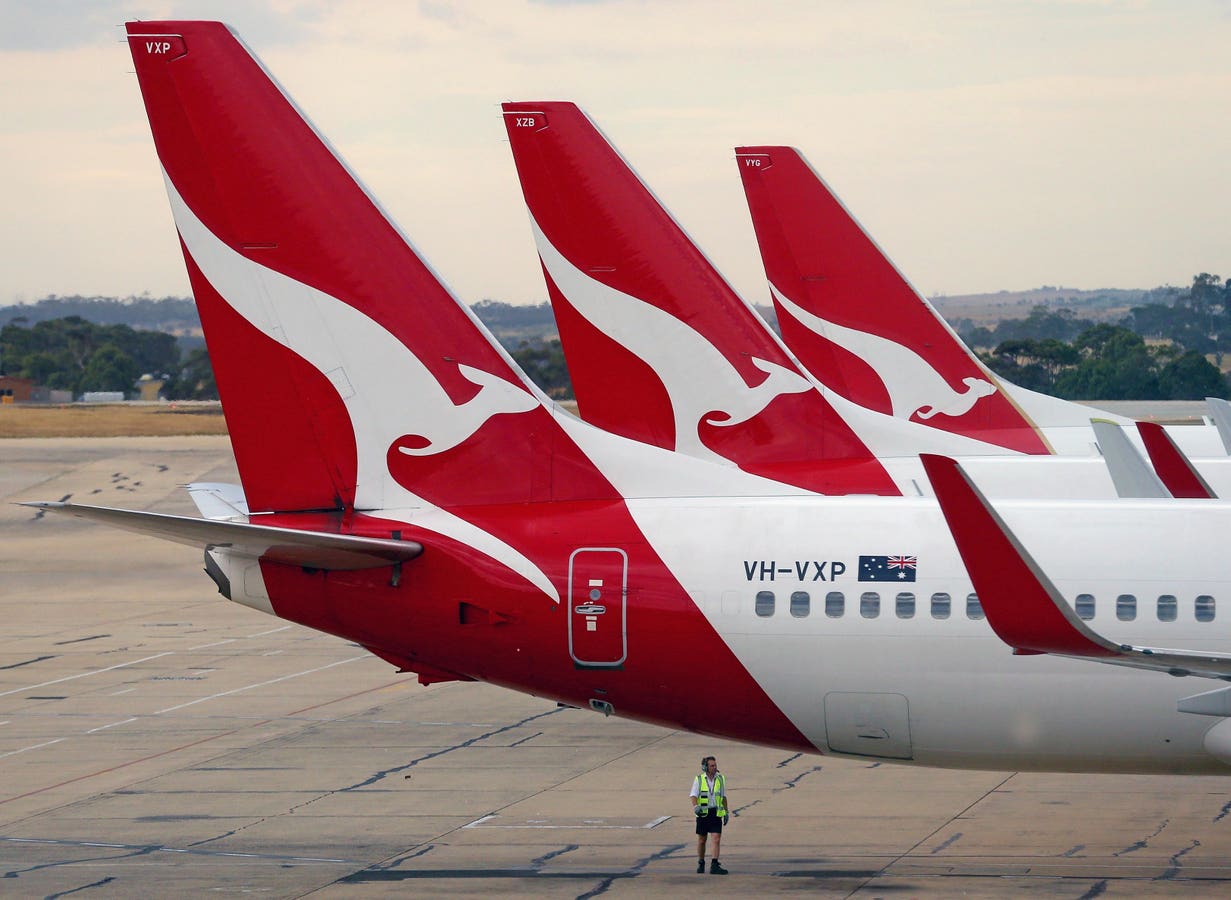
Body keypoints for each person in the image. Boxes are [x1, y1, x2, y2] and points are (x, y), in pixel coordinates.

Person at [689, 755, 729, 874]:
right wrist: (696, 807)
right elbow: (693, 795)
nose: (714, 767)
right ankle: (701, 862)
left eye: (715, 765)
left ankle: (714, 864)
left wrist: (726, 811)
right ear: (705, 767)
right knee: (702, 840)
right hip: (703, 813)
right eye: (712, 765)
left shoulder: (720, 779)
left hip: (716, 813)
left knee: (716, 839)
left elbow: (723, 797)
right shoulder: (699, 779)